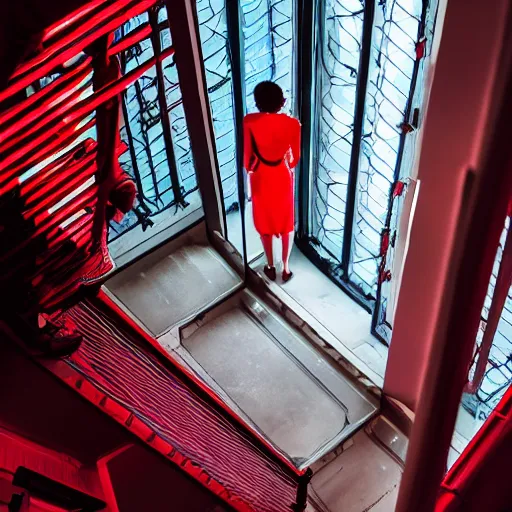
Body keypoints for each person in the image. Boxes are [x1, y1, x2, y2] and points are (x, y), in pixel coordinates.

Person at [243, 81, 301, 282]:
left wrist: (256, 164)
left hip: (260, 175)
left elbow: (246, 161)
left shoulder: (249, 122)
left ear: (257, 103)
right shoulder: (293, 124)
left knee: (264, 223)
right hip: (281, 175)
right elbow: (295, 159)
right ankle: (285, 268)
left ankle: (269, 264)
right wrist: (284, 159)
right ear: (282, 102)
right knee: (286, 224)